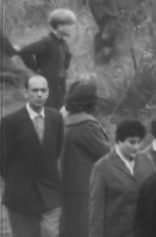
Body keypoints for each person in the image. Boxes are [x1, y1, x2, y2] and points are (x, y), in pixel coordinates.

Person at [0, 75, 64, 237]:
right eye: (35, 90)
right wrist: (17, 181)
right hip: (21, 195)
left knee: (50, 233)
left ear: (48, 92)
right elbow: (3, 159)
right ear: (25, 92)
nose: (39, 94)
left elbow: (55, 150)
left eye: (43, 90)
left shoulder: (56, 118)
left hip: (50, 191)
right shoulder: (10, 122)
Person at [59, 80, 110, 237]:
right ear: (91, 102)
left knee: (69, 228)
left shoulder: (65, 121)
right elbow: (107, 155)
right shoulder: (86, 125)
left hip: (67, 185)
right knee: (84, 229)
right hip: (85, 187)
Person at [89, 119, 148, 237]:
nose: (136, 147)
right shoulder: (102, 167)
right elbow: (96, 210)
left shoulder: (146, 161)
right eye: (132, 142)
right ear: (119, 141)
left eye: (139, 142)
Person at [18, 8, 77, 110]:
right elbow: (25, 51)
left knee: (60, 109)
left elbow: (67, 57)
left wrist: (65, 66)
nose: (73, 28)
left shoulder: (62, 43)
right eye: (70, 25)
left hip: (60, 84)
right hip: (49, 84)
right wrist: (36, 69)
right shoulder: (47, 42)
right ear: (60, 27)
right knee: (49, 110)